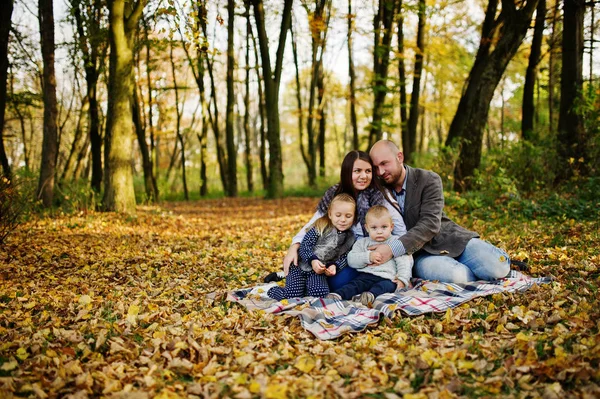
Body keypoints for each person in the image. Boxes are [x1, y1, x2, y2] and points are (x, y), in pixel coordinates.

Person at [368, 140, 511, 283]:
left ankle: (491, 264)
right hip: (420, 255)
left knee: (499, 268)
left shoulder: (428, 179)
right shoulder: (376, 192)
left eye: (384, 163)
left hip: (450, 239)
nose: (380, 172)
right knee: (458, 276)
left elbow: (430, 224)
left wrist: (392, 249)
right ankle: (476, 274)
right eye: (376, 167)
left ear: (399, 157)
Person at [265, 150, 406, 291]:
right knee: (318, 273)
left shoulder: (380, 195)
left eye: (368, 171)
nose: (363, 176)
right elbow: (314, 223)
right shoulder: (335, 194)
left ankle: (295, 279)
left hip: (360, 253)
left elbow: (400, 230)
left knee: (335, 284)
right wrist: (294, 246)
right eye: (357, 171)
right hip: (333, 250)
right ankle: (289, 276)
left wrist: (390, 249)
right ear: (347, 172)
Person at [267, 194, 356, 300]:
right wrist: (313, 260)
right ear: (330, 214)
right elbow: (305, 246)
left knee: (320, 294)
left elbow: (345, 256)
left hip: (318, 271)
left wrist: (334, 266)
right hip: (299, 266)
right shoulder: (321, 226)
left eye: (348, 216)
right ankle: (272, 290)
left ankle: (305, 290)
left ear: (354, 217)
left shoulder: (350, 238)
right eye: (338, 215)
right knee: (291, 296)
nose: (343, 220)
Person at [326, 205, 413, 306]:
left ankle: (370, 296)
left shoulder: (395, 242)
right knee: (354, 285)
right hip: (365, 276)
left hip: (388, 277)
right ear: (367, 228)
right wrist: (368, 257)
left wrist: (403, 279)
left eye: (384, 227)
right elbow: (351, 259)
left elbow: (405, 262)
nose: (379, 231)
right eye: (374, 228)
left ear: (391, 227)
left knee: (385, 287)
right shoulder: (362, 243)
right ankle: (337, 295)